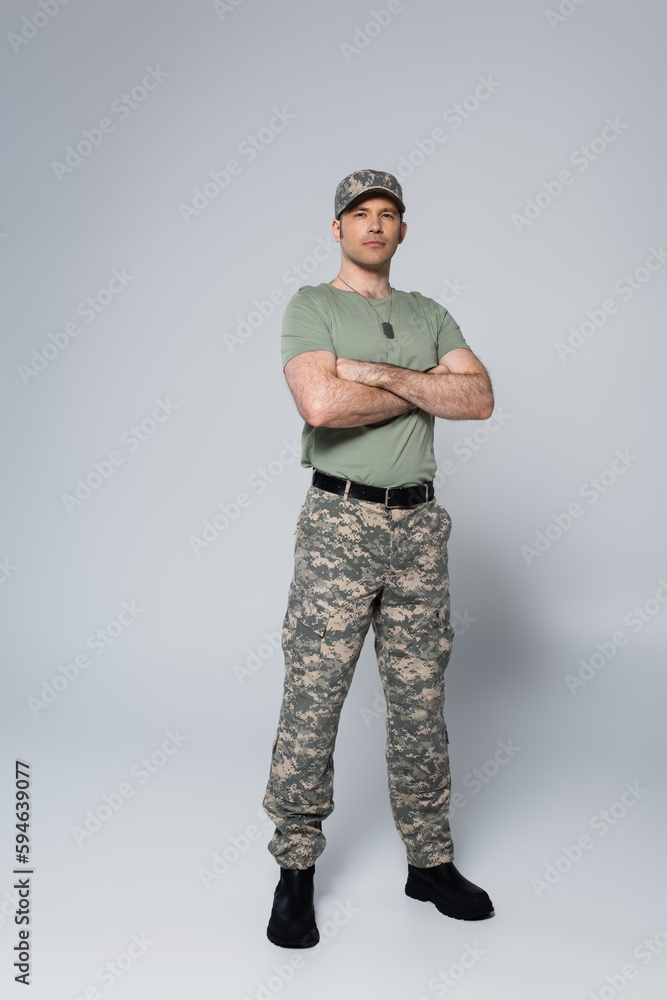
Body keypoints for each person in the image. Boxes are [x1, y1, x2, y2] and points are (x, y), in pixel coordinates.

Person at [262, 169, 495, 948]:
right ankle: (295, 871)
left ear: (402, 230)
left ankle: (428, 862)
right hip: (340, 522)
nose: (373, 224)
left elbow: (479, 398)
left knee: (420, 701)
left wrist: (375, 374)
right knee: (313, 696)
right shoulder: (312, 306)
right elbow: (320, 404)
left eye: (387, 213)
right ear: (337, 229)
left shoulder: (428, 312)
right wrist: (427, 386)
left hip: (418, 528)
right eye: (358, 213)